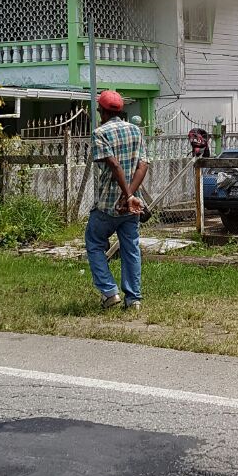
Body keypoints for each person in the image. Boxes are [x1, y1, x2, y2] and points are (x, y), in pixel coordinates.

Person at [84, 90, 149, 311]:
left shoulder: (100, 133)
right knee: (131, 249)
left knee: (94, 244)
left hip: (107, 204)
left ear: (101, 111)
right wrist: (130, 195)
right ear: (121, 110)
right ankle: (134, 299)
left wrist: (125, 195)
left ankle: (110, 292)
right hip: (130, 207)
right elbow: (143, 165)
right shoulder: (135, 130)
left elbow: (113, 165)